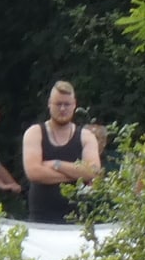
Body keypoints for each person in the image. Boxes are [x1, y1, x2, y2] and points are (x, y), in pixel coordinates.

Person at [21, 82, 103, 225]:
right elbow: (34, 173)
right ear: (49, 104)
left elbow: (94, 172)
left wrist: (56, 164)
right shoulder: (34, 133)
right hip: (40, 221)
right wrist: (77, 175)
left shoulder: (86, 136)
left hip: (77, 222)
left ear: (74, 105)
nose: (63, 109)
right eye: (58, 104)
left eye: (67, 104)